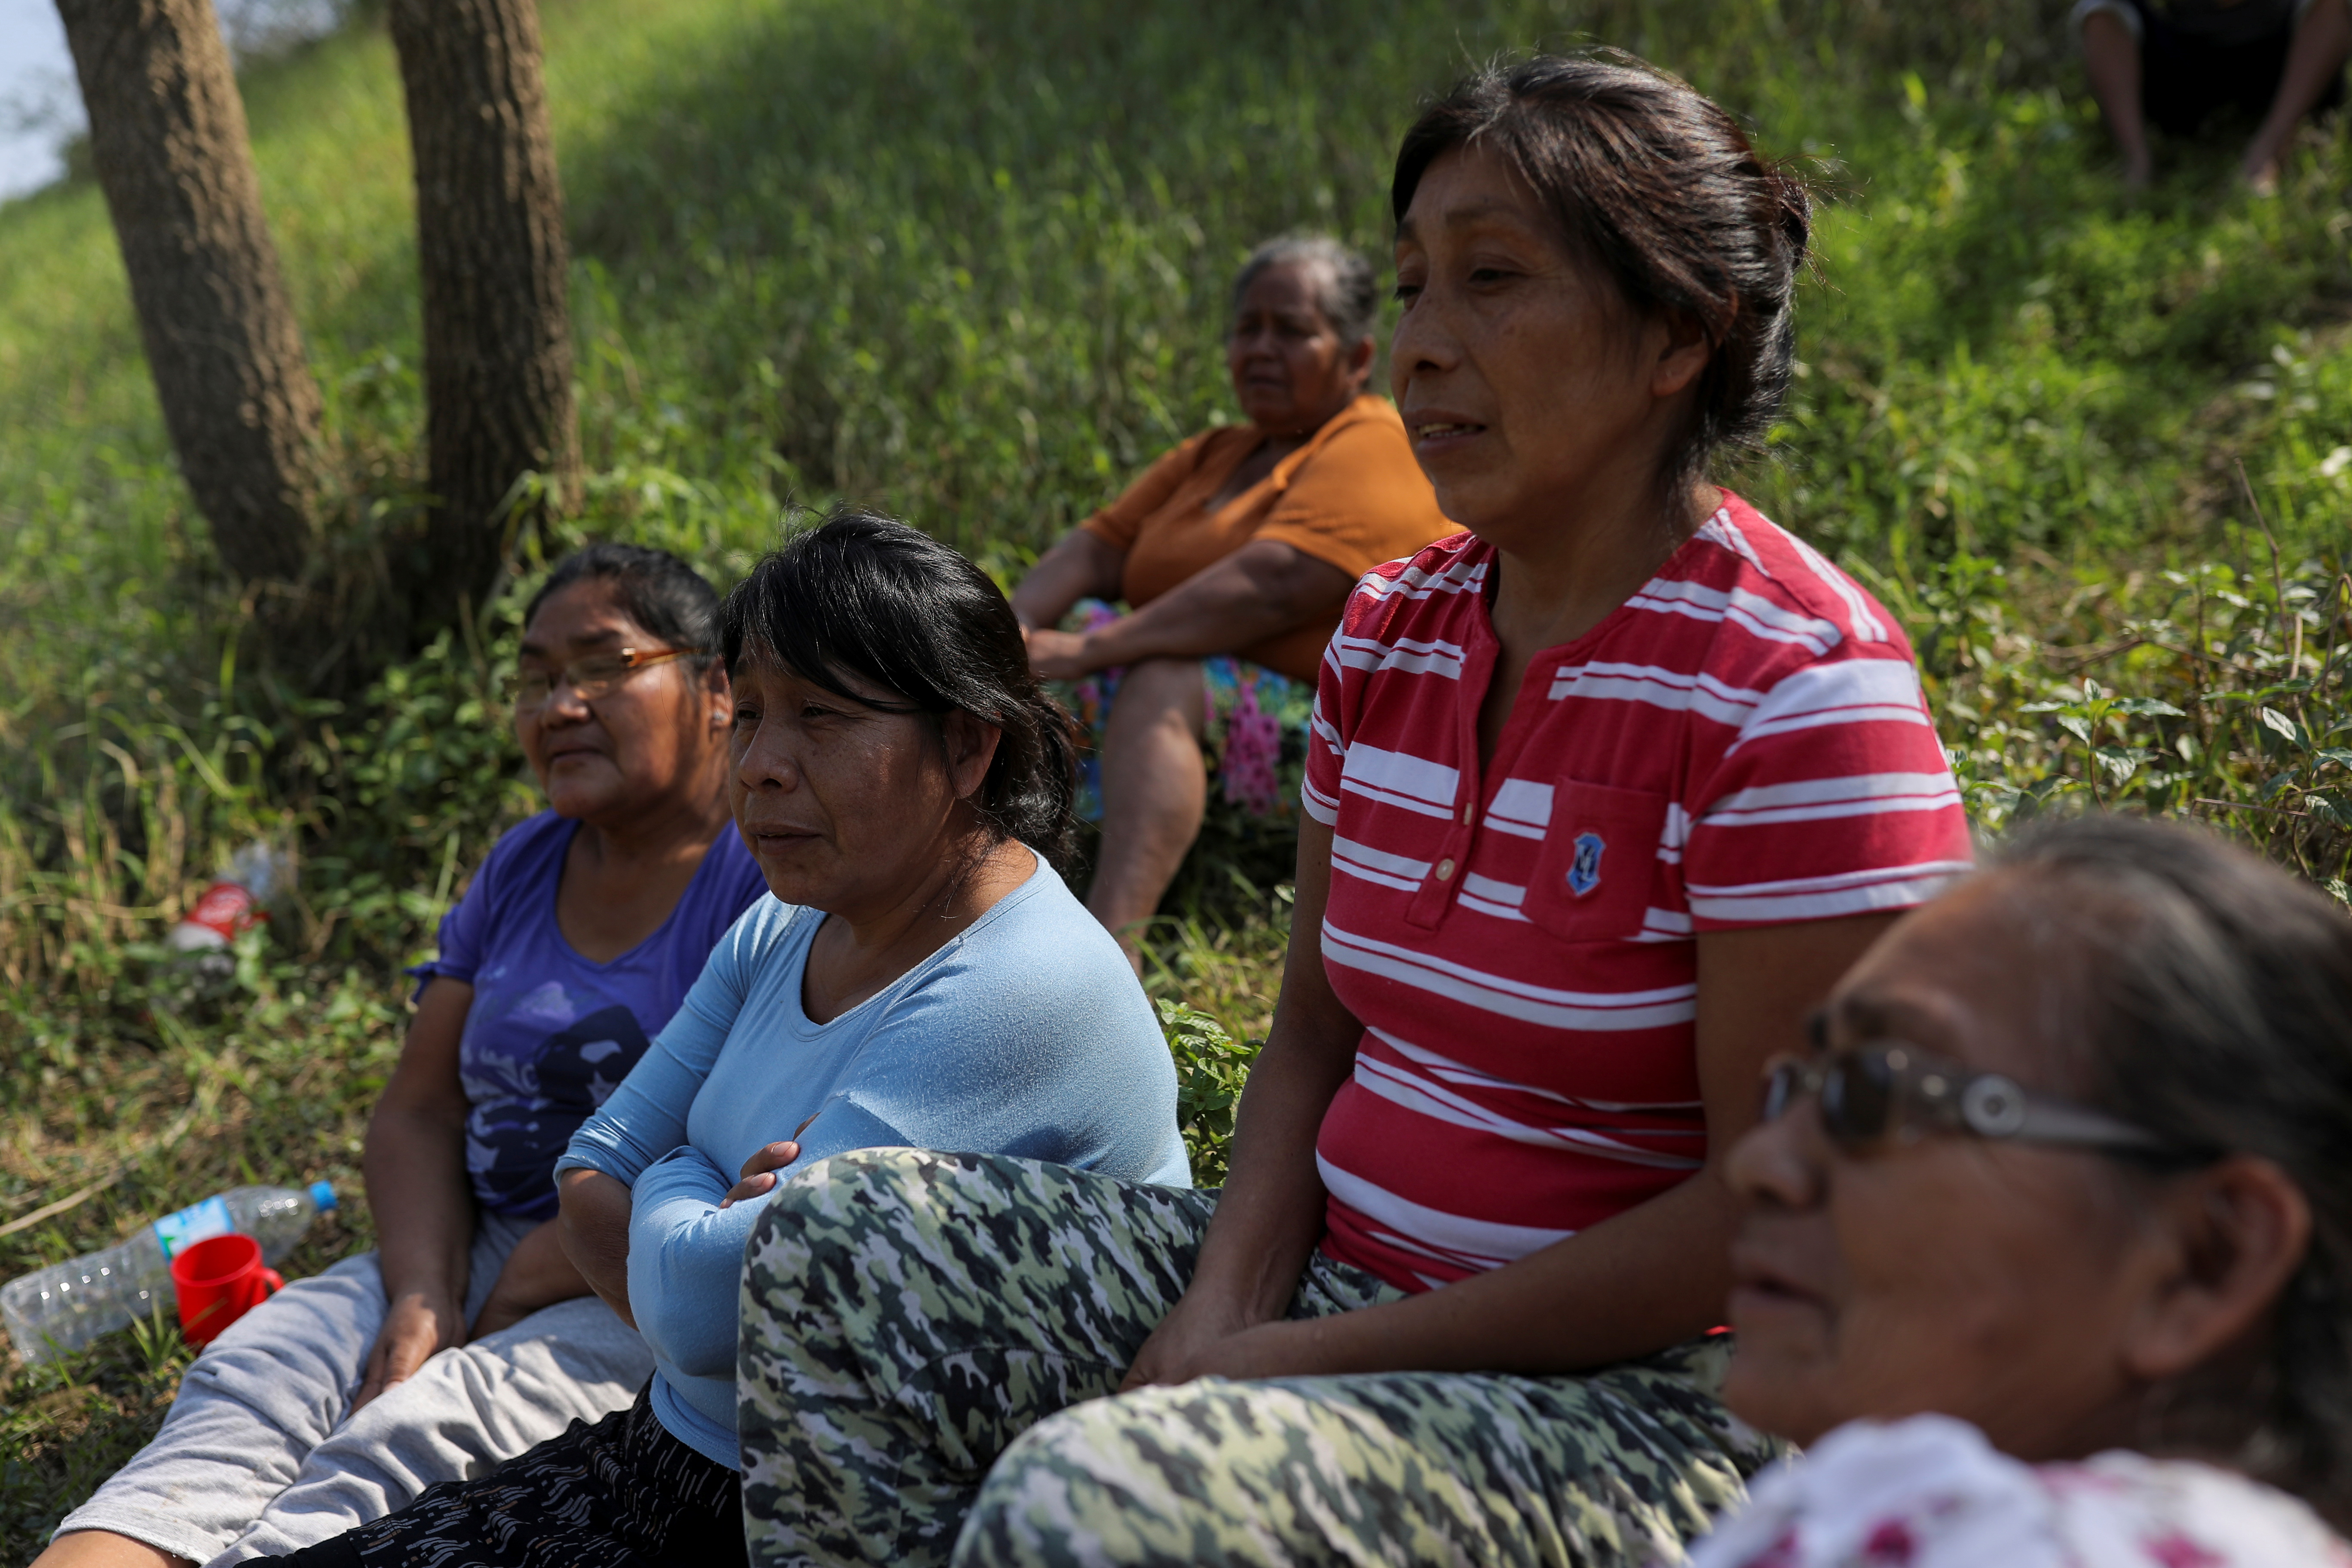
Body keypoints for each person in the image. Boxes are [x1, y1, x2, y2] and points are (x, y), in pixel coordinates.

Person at [738, 52, 1975, 1568]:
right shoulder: (1396, 630)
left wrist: (1292, 1363)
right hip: (1341, 1288)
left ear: (1676, 332)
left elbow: (1775, 1209)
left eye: (1492, 280)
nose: (1424, 347)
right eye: (1413, 288)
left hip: (1664, 1407)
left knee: (1097, 1497)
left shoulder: (1794, 687)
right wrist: (1223, 1305)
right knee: (835, 1237)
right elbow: (1314, 1031)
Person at [272, 511, 1190, 1568]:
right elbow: (588, 1176)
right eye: (750, 714)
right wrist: (701, 1208)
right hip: (670, 1453)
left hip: (838, 1519)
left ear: (968, 744)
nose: (759, 766)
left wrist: (667, 1178)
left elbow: (709, 1311)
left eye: (821, 717)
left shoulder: (1017, 985)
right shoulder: (789, 922)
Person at [40, 545, 769, 1568]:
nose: (558, 705)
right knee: (257, 1378)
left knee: (414, 1438)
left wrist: (531, 1277)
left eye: (602, 667)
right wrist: (425, 1293)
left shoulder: (763, 880)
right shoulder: (522, 864)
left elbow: (745, 1151)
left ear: (716, 690)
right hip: (466, 1233)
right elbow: (420, 1107)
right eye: (535, 678)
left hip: (632, 1276)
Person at [1689, 815, 2352, 1565]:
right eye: (1795, 1090)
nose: (1759, 1161)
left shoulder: (2031, 1543)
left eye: (1874, 1092)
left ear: (2208, 1258)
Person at [1010, 234, 1453, 961]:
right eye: (1248, 328)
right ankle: (995, 899)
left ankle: (1107, 955)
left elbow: (1274, 584)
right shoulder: (1219, 453)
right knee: (1010, 674)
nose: (1261, 349)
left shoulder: (1375, 439)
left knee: (1165, 675)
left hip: (1340, 736)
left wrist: (1092, 649)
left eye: (1292, 330)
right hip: (1184, 719)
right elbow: (1097, 548)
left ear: (1357, 358)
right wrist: (1015, 631)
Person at [2073, 0, 2352, 190]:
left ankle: (2271, 146)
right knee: (2099, 6)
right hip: (2185, 61)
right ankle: (2137, 160)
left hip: (2276, 54)